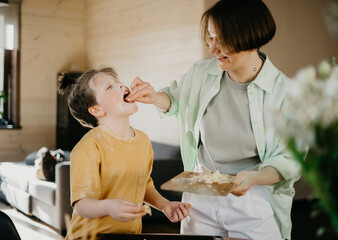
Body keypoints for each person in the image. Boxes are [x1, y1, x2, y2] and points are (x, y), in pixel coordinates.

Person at [126, 0, 302, 239]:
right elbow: (178, 101)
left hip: (254, 196)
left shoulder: (286, 93)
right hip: (201, 190)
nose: (213, 48)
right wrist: (155, 97)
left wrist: (253, 178)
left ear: (248, 37)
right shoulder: (201, 72)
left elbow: (292, 160)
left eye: (221, 39)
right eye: (210, 38)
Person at [58, 67, 191, 240]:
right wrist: (108, 207)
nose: (121, 85)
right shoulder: (89, 146)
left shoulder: (143, 141)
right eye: (109, 87)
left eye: (118, 82)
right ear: (97, 110)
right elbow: (82, 205)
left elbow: (144, 186)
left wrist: (165, 206)